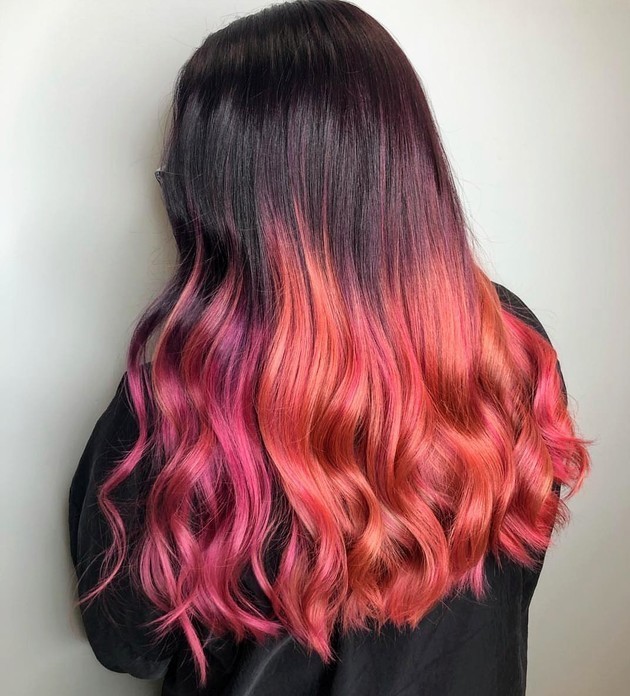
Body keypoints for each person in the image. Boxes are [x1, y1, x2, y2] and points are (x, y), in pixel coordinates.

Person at [68, 1, 592, 694]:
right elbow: (517, 563)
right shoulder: (511, 344)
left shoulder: (185, 398)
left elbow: (125, 642)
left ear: (222, 209)